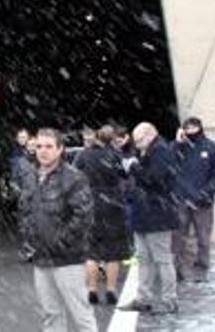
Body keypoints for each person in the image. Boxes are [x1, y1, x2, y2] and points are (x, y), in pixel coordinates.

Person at [19, 128, 97, 332]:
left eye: (48, 146)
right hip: (41, 258)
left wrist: (59, 243)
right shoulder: (31, 177)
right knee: (51, 315)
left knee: (81, 315)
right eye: (39, 146)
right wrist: (30, 240)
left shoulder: (74, 178)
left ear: (60, 149)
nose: (43, 151)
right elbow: (25, 212)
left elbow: (83, 217)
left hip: (68, 259)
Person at [119, 122, 179, 314]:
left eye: (139, 140)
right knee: (144, 259)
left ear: (150, 135)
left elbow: (155, 180)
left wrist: (135, 167)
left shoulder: (161, 151)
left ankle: (170, 301)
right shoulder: (147, 151)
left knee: (162, 259)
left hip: (158, 213)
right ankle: (143, 298)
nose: (136, 144)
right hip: (145, 212)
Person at [72, 126, 131, 305]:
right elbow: (124, 174)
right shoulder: (114, 155)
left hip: (90, 204)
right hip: (113, 204)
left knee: (92, 252)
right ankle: (111, 290)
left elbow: (74, 176)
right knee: (113, 253)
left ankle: (92, 289)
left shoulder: (83, 155)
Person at [170, 117, 215, 283]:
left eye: (193, 127)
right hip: (181, 200)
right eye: (187, 127)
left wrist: (205, 193)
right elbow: (167, 163)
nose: (190, 130)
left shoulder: (210, 147)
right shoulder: (178, 147)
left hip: (203, 202)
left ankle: (201, 270)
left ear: (199, 127)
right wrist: (177, 143)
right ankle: (177, 270)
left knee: (203, 238)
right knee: (178, 238)